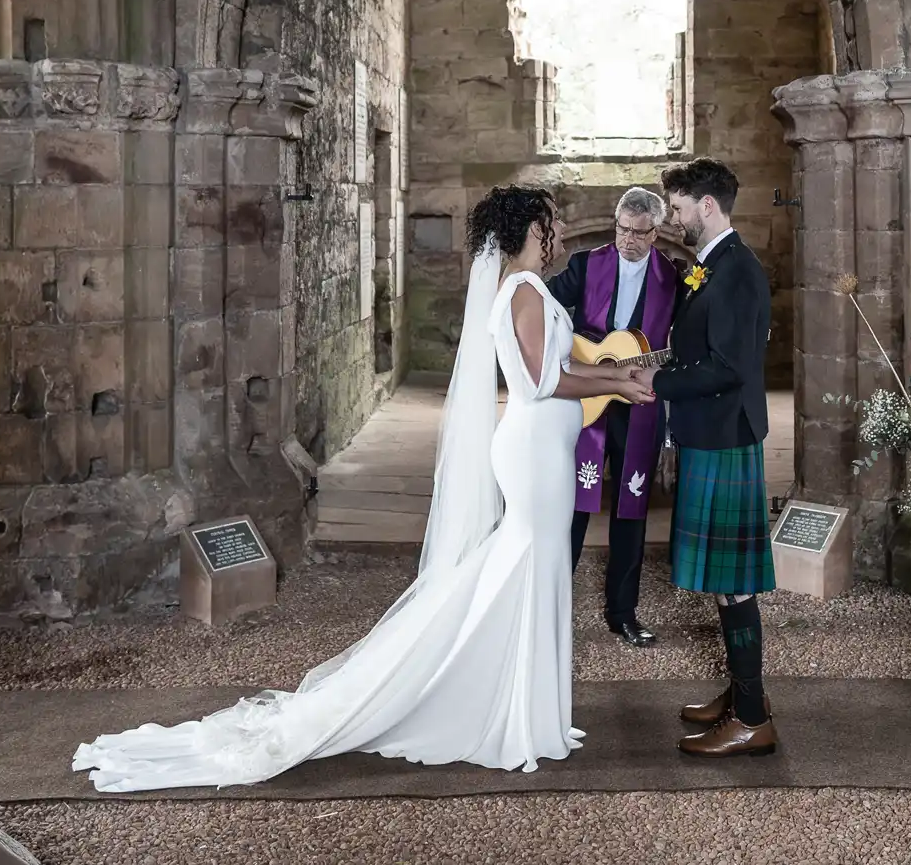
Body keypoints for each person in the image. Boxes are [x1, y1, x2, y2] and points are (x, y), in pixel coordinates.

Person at [70, 187, 652, 789]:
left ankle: (529, 707)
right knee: (526, 565)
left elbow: (561, 366)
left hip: (545, 452)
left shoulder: (528, 289)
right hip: (534, 454)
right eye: (552, 222)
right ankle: (499, 704)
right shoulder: (525, 292)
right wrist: (614, 388)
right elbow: (536, 383)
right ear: (534, 228)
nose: (558, 231)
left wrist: (613, 376)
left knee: (537, 567)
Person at [636, 157, 778, 757]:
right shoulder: (713, 265)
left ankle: (751, 719)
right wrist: (659, 362)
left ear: (707, 205)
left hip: (725, 434)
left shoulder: (738, 270)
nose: (673, 216)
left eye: (677, 206)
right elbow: (702, 347)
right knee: (725, 582)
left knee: (733, 584)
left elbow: (728, 366)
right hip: (710, 432)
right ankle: (745, 695)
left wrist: (658, 384)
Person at [547, 187, 680, 648]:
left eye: (639, 233)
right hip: (588, 403)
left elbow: (683, 348)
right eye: (622, 229)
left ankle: (623, 612)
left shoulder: (674, 278)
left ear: (655, 233)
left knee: (631, 510)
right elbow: (540, 306)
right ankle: (550, 608)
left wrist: (661, 368)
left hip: (639, 407)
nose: (627, 240)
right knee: (574, 508)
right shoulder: (586, 264)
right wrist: (573, 353)